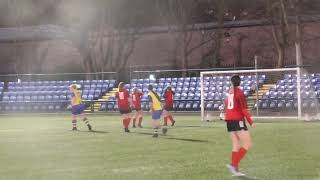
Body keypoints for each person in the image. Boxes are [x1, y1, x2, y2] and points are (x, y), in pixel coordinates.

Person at [225, 75, 254, 177]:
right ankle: (233, 164)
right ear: (240, 82)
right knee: (247, 144)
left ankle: (235, 170)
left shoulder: (229, 92)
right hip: (237, 121)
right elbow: (244, 109)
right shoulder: (239, 93)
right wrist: (251, 122)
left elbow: (227, 106)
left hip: (229, 121)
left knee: (236, 145)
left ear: (231, 82)